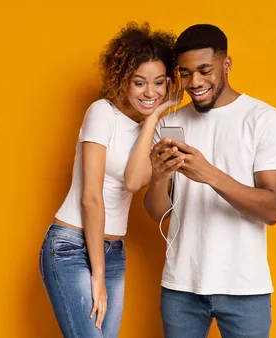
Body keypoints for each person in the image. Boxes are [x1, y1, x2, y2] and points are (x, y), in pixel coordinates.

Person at [144, 24, 276, 338]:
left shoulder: (265, 120)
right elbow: (158, 212)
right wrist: (158, 177)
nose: (194, 83)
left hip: (244, 287)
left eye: (204, 70)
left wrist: (209, 174)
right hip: (180, 287)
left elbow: (273, 209)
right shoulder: (170, 123)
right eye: (185, 74)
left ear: (226, 65)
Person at [39, 21, 180, 337]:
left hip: (114, 251)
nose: (150, 92)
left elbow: (132, 182)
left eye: (158, 83)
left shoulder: (148, 130)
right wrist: (97, 276)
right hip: (71, 248)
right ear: (123, 80)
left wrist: (153, 119)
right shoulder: (101, 112)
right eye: (139, 82)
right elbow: (91, 197)